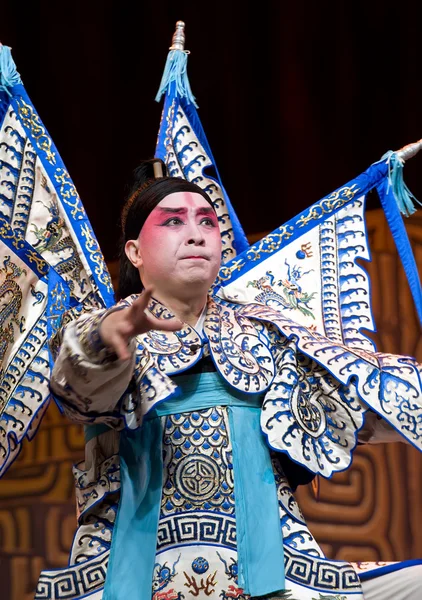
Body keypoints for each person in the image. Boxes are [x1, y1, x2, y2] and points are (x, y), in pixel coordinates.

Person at [36, 159, 422, 600]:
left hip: (274, 572)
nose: (197, 233)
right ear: (134, 252)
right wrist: (111, 335)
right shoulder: (104, 328)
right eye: (174, 222)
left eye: (207, 221)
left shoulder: (269, 335)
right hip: (133, 577)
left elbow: (363, 403)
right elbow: (76, 386)